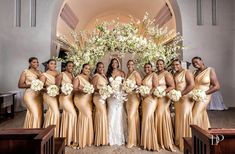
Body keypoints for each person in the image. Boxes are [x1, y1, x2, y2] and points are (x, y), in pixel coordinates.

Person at [171, 59, 195, 151]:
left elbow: (191, 85)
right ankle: (178, 139)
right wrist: (175, 95)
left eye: (177, 64)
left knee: (185, 117)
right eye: (173, 65)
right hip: (178, 99)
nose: (175, 66)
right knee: (179, 118)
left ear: (181, 64)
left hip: (186, 98)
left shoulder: (187, 72)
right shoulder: (174, 74)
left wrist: (181, 94)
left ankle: (186, 141)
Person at [191, 56, 220, 130]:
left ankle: (194, 134)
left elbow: (216, 86)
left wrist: (204, 93)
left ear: (202, 61)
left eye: (196, 62)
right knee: (201, 113)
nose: (194, 64)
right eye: (193, 63)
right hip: (194, 95)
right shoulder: (194, 72)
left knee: (195, 114)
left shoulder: (210, 70)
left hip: (204, 96)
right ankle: (205, 131)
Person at [56, 61, 78, 147]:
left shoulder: (73, 75)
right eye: (69, 66)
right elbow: (56, 87)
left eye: (72, 66)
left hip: (71, 98)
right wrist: (63, 90)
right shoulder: (61, 74)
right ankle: (68, 138)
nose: (71, 68)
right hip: (64, 98)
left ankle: (67, 138)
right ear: (65, 66)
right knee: (73, 115)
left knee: (67, 116)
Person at [155, 59, 175, 151]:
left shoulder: (167, 74)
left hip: (164, 98)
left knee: (160, 114)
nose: (159, 65)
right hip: (156, 97)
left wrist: (163, 91)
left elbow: (172, 86)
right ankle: (158, 139)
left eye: (161, 64)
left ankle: (165, 140)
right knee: (157, 115)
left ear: (164, 65)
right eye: (158, 64)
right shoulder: (155, 73)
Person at [106, 58, 127, 145]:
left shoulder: (122, 73)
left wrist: (120, 93)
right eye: (113, 62)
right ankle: (109, 137)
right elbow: (106, 84)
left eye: (116, 62)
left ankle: (119, 137)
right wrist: (109, 90)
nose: (114, 64)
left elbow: (124, 85)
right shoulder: (108, 73)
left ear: (118, 64)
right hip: (110, 96)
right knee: (111, 112)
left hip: (119, 96)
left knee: (119, 114)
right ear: (111, 64)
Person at [18, 57, 43, 128]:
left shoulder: (40, 72)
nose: (36, 63)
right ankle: (33, 133)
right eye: (34, 62)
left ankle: (35, 131)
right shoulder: (25, 72)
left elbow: (43, 84)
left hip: (38, 95)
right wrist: (32, 85)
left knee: (39, 114)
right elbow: (20, 85)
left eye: (37, 62)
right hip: (29, 95)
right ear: (30, 63)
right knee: (35, 114)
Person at [73, 63, 94, 148]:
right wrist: (81, 90)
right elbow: (74, 89)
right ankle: (82, 139)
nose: (87, 70)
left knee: (85, 116)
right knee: (88, 115)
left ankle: (86, 139)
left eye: (89, 69)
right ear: (82, 68)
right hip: (80, 99)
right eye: (86, 68)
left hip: (88, 100)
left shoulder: (89, 78)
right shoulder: (78, 77)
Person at [140, 63, 159, 151]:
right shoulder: (145, 76)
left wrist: (147, 94)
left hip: (151, 99)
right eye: (145, 67)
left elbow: (155, 87)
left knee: (148, 118)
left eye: (148, 67)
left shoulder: (154, 74)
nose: (146, 68)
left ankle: (151, 143)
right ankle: (145, 142)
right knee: (145, 118)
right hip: (144, 100)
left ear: (152, 68)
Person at [40, 59, 60, 137]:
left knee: (51, 112)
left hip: (56, 95)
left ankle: (49, 132)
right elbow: (40, 87)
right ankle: (51, 134)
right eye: (51, 64)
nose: (53, 65)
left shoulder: (58, 73)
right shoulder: (44, 75)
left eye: (55, 64)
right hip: (48, 95)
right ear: (47, 65)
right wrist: (49, 89)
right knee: (56, 112)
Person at [125, 60, 142, 148]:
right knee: (132, 117)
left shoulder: (136, 73)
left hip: (134, 98)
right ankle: (134, 139)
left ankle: (131, 141)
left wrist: (133, 88)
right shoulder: (126, 74)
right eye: (128, 64)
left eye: (131, 64)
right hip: (128, 98)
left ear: (134, 65)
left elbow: (139, 86)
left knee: (131, 117)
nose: (129, 65)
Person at [91, 62, 109, 146]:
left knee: (100, 114)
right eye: (99, 67)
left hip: (103, 98)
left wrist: (106, 91)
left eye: (102, 67)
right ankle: (99, 139)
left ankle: (102, 138)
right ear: (97, 68)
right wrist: (101, 91)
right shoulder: (96, 76)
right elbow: (93, 88)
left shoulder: (103, 76)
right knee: (102, 114)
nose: (101, 68)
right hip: (98, 98)